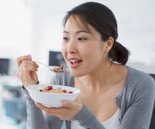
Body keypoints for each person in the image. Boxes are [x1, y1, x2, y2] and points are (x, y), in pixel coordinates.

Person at [16, 2, 155, 129]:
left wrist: (82, 116)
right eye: (66, 38)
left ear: (107, 44)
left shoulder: (140, 85)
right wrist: (31, 89)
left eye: (81, 38)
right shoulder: (62, 81)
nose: (70, 48)